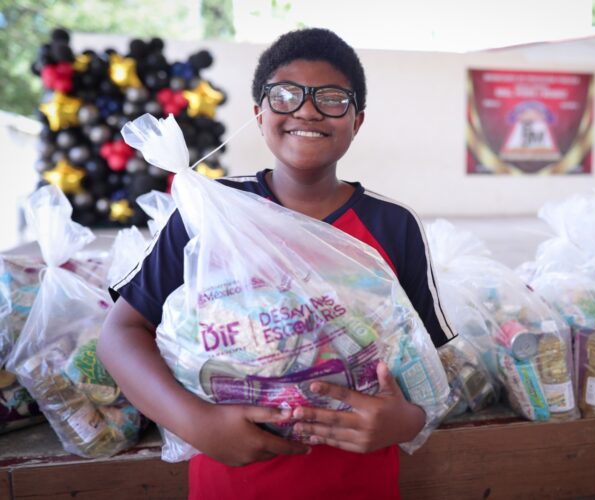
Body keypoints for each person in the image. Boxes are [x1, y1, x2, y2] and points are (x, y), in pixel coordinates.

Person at [99, 27, 456, 499]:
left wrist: (404, 421)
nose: (307, 110)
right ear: (259, 113)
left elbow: (428, 366)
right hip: (230, 486)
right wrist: (198, 422)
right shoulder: (212, 212)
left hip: (359, 485)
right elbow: (121, 334)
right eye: (285, 95)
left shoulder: (393, 225)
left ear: (357, 121)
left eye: (332, 98)